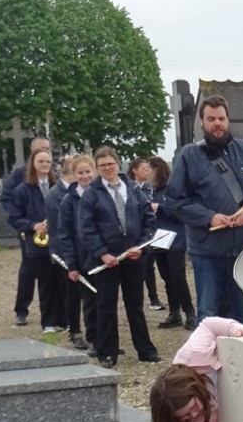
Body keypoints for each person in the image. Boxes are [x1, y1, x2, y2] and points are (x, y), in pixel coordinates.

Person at [161, 95, 243, 328]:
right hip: (207, 250)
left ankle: (240, 363)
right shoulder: (189, 156)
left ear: (228, 120)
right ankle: (210, 364)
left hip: (241, 248)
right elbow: (174, 200)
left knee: (241, 316)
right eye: (211, 119)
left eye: (221, 118)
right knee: (209, 315)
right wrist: (208, 217)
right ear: (202, 122)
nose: (217, 123)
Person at [76, 145, 160, 369]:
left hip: (133, 258)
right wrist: (102, 253)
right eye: (102, 166)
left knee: (135, 305)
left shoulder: (132, 189)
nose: (107, 169)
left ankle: (145, 349)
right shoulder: (91, 194)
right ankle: (107, 352)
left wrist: (141, 246)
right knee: (106, 306)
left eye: (110, 164)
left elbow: (148, 219)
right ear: (97, 168)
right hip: (107, 261)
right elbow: (86, 228)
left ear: (118, 164)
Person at [5, 146, 65, 335]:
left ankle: (64, 320)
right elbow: (14, 217)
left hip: (59, 241)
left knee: (62, 283)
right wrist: (33, 225)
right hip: (37, 242)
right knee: (45, 284)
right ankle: (48, 322)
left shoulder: (58, 187)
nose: (45, 164)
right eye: (41, 161)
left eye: (48, 161)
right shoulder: (22, 190)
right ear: (33, 164)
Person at [2, 134, 52, 325]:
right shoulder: (19, 174)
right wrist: (25, 224)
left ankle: (54, 312)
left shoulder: (52, 171)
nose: (45, 152)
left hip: (51, 231)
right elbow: (7, 198)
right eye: (42, 148)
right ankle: (22, 309)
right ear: (32, 151)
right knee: (28, 270)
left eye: (48, 148)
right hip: (30, 231)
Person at [139, 156, 193, 331]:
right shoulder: (151, 190)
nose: (145, 174)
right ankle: (174, 311)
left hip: (175, 238)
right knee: (166, 277)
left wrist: (159, 207)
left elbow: (179, 210)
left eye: (148, 169)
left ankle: (190, 313)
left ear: (156, 170)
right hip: (159, 238)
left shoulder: (172, 188)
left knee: (178, 276)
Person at [52, 153, 97, 353]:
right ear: (74, 174)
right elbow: (65, 232)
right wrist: (71, 263)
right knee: (82, 299)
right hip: (78, 257)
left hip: (98, 255)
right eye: (80, 173)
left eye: (88, 172)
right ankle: (83, 335)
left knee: (100, 300)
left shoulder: (100, 193)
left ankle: (101, 338)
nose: (85, 176)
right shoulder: (69, 201)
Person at [130, 158, 166, 312]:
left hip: (148, 231)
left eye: (147, 169)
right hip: (133, 232)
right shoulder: (128, 187)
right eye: (143, 169)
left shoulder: (149, 189)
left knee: (150, 266)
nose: (146, 172)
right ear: (135, 170)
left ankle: (154, 297)